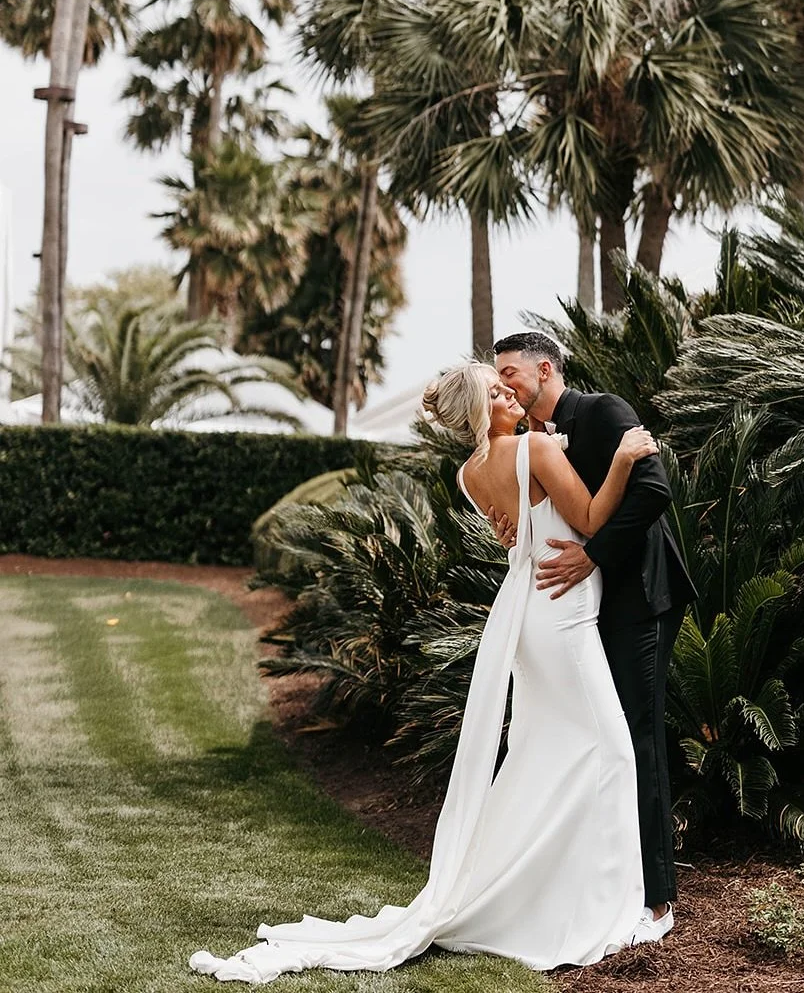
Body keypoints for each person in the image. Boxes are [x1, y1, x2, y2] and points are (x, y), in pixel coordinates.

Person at [189, 362, 660, 982]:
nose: (510, 392)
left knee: (546, 754)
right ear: (480, 409)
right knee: (612, 754)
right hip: (564, 617)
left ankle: (540, 893)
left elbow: (516, 530)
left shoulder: (469, 476)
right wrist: (624, 458)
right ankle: (607, 905)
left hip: (526, 617)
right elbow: (594, 521)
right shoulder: (539, 447)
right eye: (497, 390)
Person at [492, 331, 697, 944]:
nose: (502, 384)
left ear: (545, 369)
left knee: (636, 734)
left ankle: (658, 902)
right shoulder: (533, 442)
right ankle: (600, 878)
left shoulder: (605, 411)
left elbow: (654, 491)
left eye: (510, 372)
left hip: (639, 600)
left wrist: (592, 557)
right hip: (581, 613)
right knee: (596, 739)